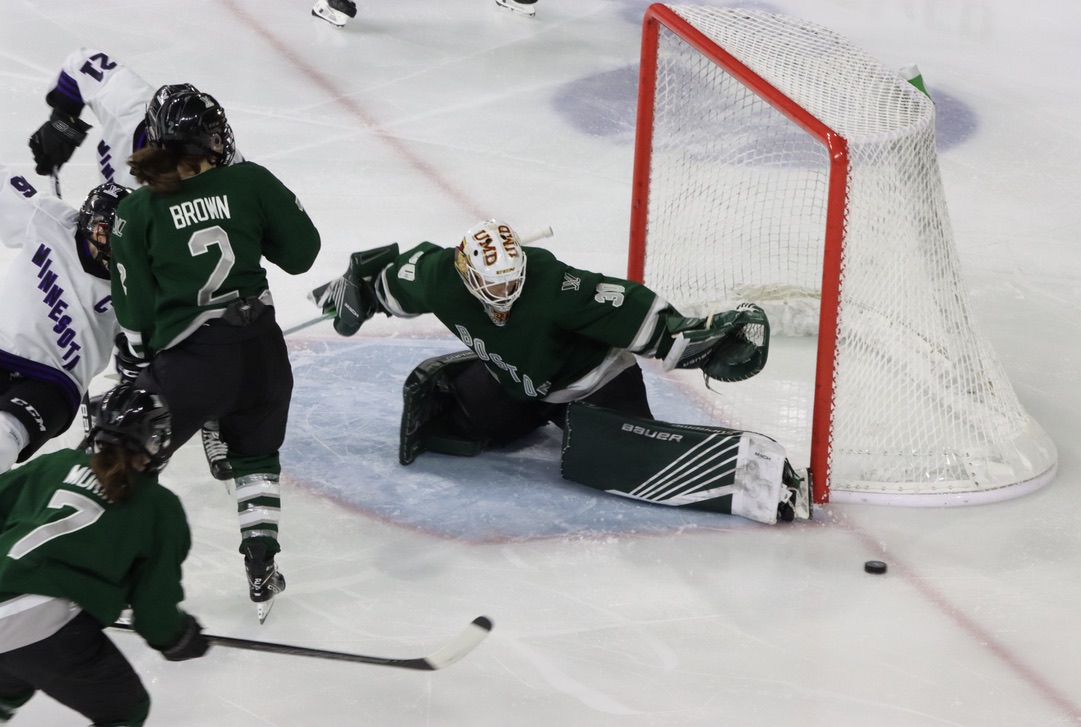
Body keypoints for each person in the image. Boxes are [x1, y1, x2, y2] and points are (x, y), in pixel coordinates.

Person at [316, 220, 808, 524]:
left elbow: (622, 303)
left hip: (592, 384)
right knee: (452, 423)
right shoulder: (441, 277)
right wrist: (359, 290)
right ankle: (521, 410)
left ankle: (755, 481)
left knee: (621, 458)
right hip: (518, 383)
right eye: (494, 289)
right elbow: (397, 279)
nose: (504, 301)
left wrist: (683, 338)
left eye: (513, 284)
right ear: (466, 276)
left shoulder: (552, 285)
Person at [110, 89, 322, 620]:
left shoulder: (135, 210)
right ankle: (262, 564)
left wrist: (139, 372)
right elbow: (303, 253)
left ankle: (119, 573)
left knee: (129, 454)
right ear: (212, 137)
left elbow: (133, 314)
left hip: (192, 364)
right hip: (264, 355)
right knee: (256, 459)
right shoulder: (250, 180)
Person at [27, 48, 243, 481]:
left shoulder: (227, 171)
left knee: (208, 319)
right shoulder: (129, 105)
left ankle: (214, 410)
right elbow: (81, 62)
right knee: (120, 312)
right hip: (123, 219)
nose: (210, 163)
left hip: (179, 238)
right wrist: (63, 119)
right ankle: (130, 401)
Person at [0, 383, 208, 725]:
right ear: (156, 441)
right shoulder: (158, 506)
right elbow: (152, 604)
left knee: (9, 687)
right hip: (44, 622)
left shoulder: (58, 463)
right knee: (124, 711)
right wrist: (176, 637)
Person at [0, 163, 129, 473]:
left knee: (4, 437)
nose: (112, 246)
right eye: (103, 233)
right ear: (87, 223)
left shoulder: (135, 280)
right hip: (3, 351)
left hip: (55, 386)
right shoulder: (48, 219)